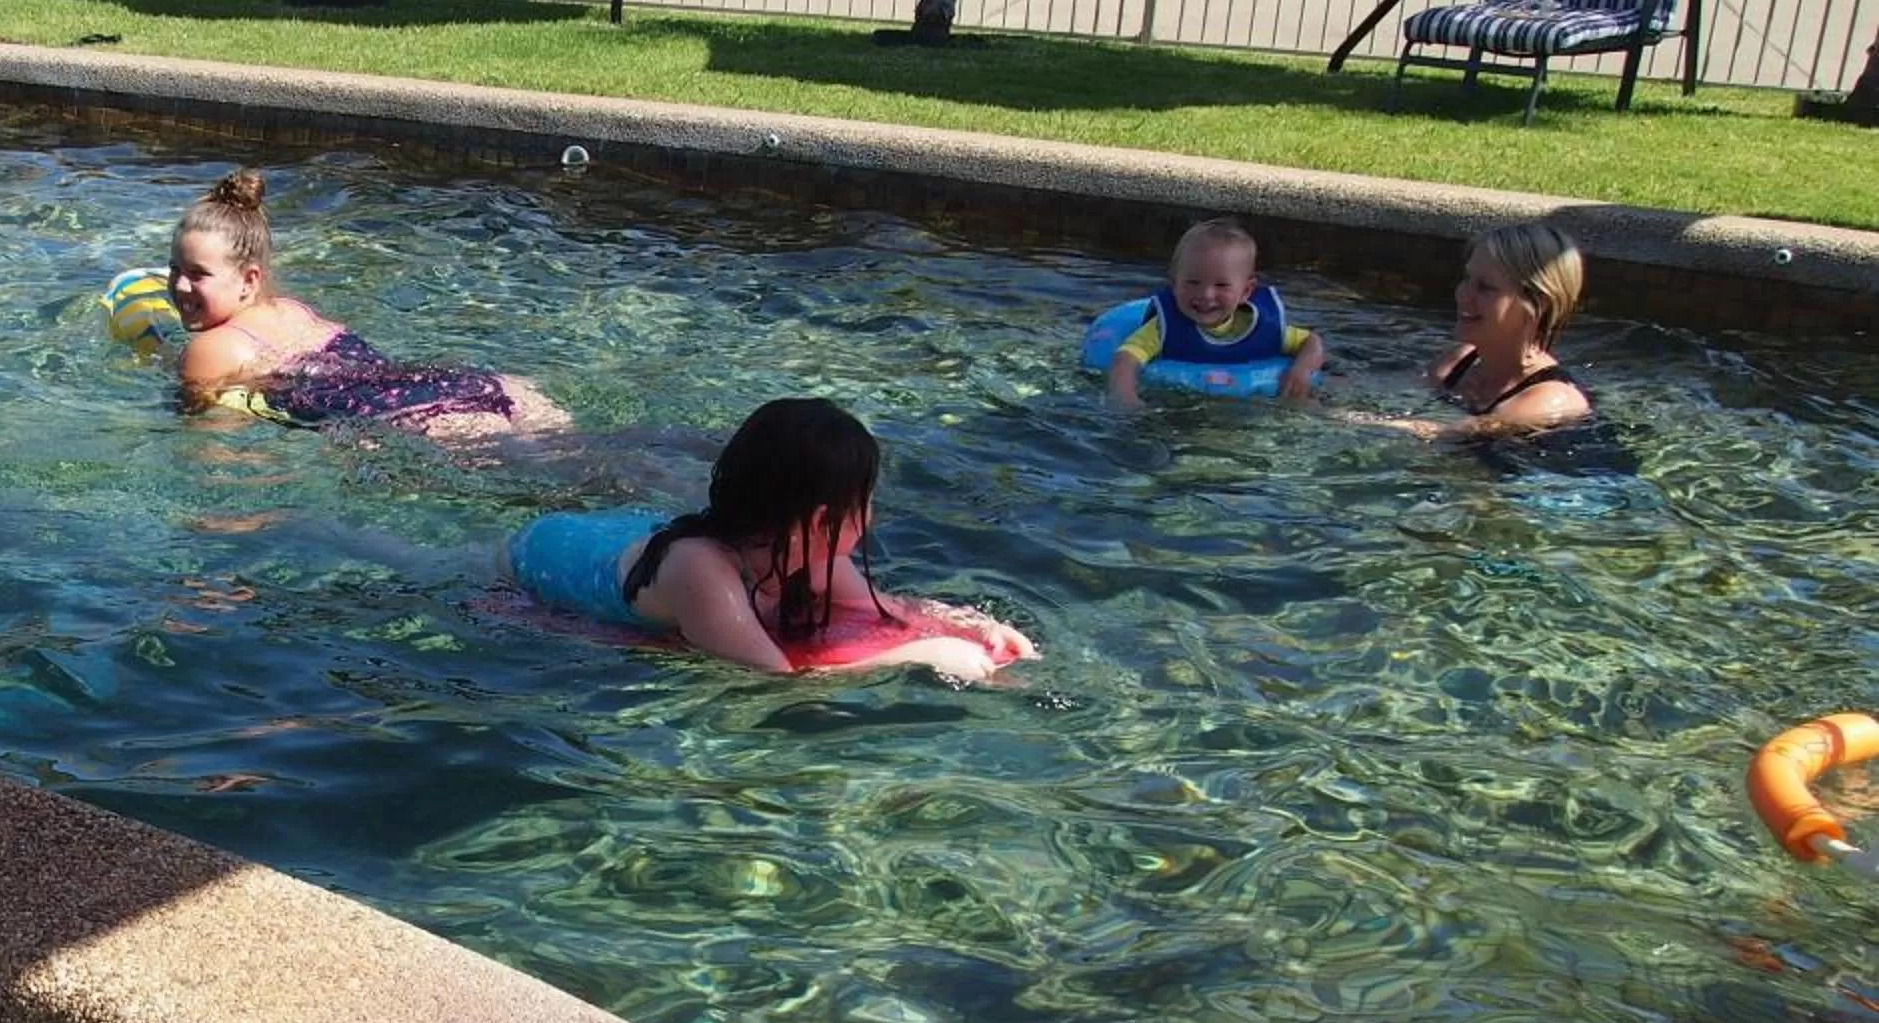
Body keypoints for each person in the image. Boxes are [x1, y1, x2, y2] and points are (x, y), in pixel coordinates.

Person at [506, 397, 1036, 679]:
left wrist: (974, 627)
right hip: (550, 555)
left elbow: (886, 608)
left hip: (633, 531)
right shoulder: (700, 571)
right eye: (866, 498)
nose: (873, 513)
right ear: (822, 517)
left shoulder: (811, 550)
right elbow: (767, 676)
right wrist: (916, 657)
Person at [168, 169, 567, 437]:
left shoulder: (210, 348)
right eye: (174, 270)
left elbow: (213, 445)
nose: (180, 286)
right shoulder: (290, 310)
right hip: (473, 383)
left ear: (249, 279)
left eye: (198, 274)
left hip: (417, 423)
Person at [1358, 221, 1632, 475]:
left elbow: (1442, 435)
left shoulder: (1549, 399)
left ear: (1538, 303)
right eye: (1467, 279)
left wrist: (1330, 416)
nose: (1463, 295)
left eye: (1485, 288)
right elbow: (1387, 394)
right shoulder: (1458, 363)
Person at [1104, 218, 1327, 408]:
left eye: (1221, 285)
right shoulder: (1164, 328)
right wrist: (1125, 397)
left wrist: (1301, 370)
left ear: (1245, 291)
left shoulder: (1261, 325)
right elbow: (1126, 358)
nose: (1206, 295)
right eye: (1193, 282)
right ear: (1174, 284)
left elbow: (1311, 341)